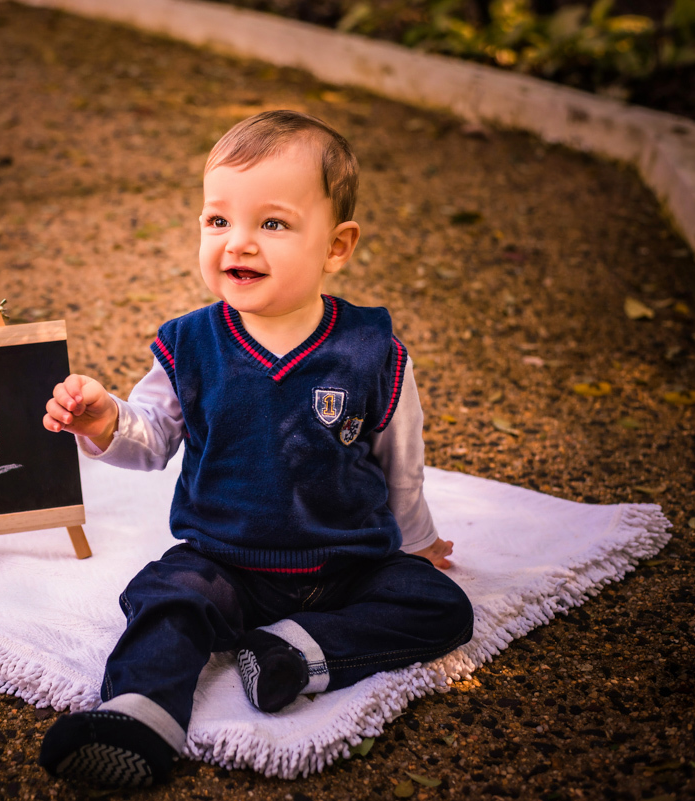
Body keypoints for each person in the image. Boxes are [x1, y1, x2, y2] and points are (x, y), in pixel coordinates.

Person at [36, 110, 474, 788]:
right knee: (165, 597)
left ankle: (293, 652)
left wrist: (417, 542)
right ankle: (140, 711)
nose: (237, 242)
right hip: (225, 560)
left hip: (347, 560)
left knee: (440, 604)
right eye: (218, 221)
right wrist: (101, 419)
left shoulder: (372, 350)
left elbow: (401, 463)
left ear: (337, 245)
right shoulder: (191, 344)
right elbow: (149, 439)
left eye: (271, 223)